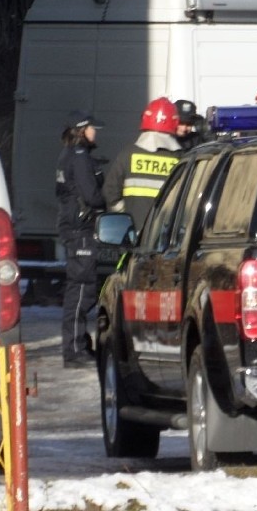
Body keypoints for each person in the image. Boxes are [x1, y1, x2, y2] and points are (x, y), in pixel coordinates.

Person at [55, 111, 106, 368]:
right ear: (81, 130)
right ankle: (75, 349)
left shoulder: (67, 155)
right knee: (82, 290)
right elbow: (92, 196)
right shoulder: (79, 157)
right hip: (81, 231)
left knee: (78, 288)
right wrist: (105, 200)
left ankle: (78, 344)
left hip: (72, 229)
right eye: (91, 128)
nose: (95, 132)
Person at [102, 97, 184, 230]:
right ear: (174, 123)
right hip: (165, 235)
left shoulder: (128, 154)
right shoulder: (179, 158)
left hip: (133, 233)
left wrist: (124, 216)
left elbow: (110, 191)